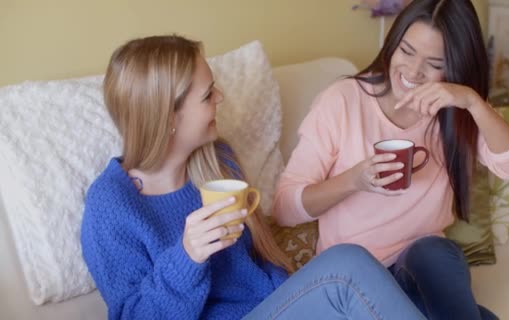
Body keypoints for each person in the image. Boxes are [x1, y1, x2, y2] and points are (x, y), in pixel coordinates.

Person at [80, 35, 427, 320]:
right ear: (168, 116)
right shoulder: (111, 206)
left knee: (417, 271)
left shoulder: (218, 163)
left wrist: (296, 295)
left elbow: (262, 258)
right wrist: (187, 257)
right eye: (207, 95)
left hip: (273, 308)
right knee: (346, 265)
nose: (220, 98)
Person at [273, 0, 509, 319]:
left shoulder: (454, 111)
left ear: (456, 67)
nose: (413, 72)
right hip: (357, 278)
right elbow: (283, 209)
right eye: (406, 51)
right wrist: (353, 181)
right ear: (392, 43)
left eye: (434, 63)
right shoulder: (343, 101)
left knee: (433, 252)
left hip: (425, 271)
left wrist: (472, 102)